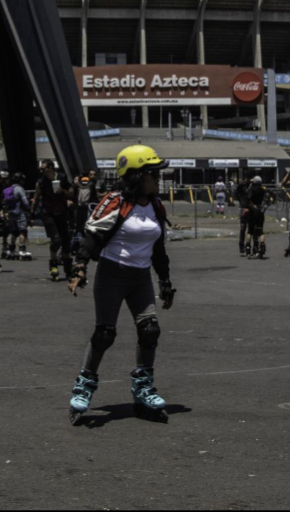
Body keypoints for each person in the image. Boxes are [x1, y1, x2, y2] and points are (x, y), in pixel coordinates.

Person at [66, 145, 177, 423]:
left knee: (150, 330)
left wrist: (165, 282)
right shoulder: (115, 201)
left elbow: (159, 250)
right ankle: (84, 386)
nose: (157, 178)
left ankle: (143, 389)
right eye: (152, 173)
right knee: (105, 333)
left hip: (140, 278)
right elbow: (92, 236)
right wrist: (79, 267)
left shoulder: (155, 205)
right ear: (136, 175)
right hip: (111, 275)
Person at [36, 163, 73, 281]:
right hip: (48, 213)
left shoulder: (62, 177)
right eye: (40, 169)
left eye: (43, 169)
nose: (41, 171)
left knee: (66, 242)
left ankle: (68, 269)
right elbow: (36, 197)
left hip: (61, 213)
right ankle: (53, 264)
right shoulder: (41, 182)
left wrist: (63, 192)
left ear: (51, 168)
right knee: (56, 240)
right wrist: (31, 215)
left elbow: (71, 191)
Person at [236, 176, 267, 258]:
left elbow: (249, 200)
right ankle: (262, 246)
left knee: (250, 230)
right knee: (260, 230)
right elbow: (267, 199)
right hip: (260, 211)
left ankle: (248, 247)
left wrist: (251, 207)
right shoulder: (263, 190)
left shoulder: (252, 189)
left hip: (253, 211)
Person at [3, 172, 32, 260]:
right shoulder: (20, 189)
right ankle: (22, 250)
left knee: (14, 232)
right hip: (19, 212)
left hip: (11, 213)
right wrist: (29, 208)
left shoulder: (9, 189)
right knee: (22, 231)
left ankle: (11, 249)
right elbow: (25, 202)